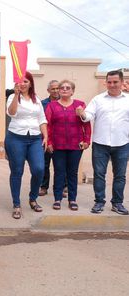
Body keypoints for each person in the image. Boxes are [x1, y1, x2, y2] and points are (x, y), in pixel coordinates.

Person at [76, 70, 129, 215]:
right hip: (100, 143)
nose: (112, 85)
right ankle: (99, 202)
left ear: (122, 82)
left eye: (115, 82)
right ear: (106, 82)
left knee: (120, 175)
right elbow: (88, 116)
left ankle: (117, 203)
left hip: (122, 144)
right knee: (99, 174)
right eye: (109, 82)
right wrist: (82, 113)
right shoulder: (98, 99)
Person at [5, 71, 47, 219]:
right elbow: (11, 113)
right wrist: (16, 95)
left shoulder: (37, 100)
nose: (22, 84)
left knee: (39, 169)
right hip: (16, 138)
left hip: (35, 138)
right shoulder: (12, 97)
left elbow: (41, 118)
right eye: (20, 81)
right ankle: (16, 204)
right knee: (17, 171)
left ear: (30, 83)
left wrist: (45, 135)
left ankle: (33, 198)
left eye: (25, 81)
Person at [45, 80, 91, 210]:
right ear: (59, 91)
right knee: (59, 172)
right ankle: (57, 199)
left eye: (68, 88)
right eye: (62, 88)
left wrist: (87, 140)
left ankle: (72, 199)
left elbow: (86, 124)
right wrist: (48, 142)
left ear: (72, 91)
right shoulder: (52, 106)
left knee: (72, 173)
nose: (64, 89)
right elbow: (47, 125)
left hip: (76, 145)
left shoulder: (79, 105)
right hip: (57, 145)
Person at [39, 80, 59, 196]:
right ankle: (43, 187)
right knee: (44, 164)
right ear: (48, 90)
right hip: (46, 138)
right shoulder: (42, 104)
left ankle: (61, 187)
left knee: (60, 165)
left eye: (57, 88)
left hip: (60, 139)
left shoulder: (65, 102)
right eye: (53, 89)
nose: (56, 91)